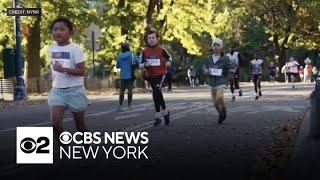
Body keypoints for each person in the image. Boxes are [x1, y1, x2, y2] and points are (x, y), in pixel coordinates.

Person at [47, 17, 89, 142]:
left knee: (80, 126)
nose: (57, 32)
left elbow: (82, 72)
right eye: (55, 30)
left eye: (62, 29)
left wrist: (64, 70)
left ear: (70, 33)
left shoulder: (75, 49)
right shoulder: (52, 48)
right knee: (55, 124)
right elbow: (55, 67)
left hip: (75, 90)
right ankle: (64, 149)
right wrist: (48, 72)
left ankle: (88, 146)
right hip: (57, 91)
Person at [140, 29, 172, 126]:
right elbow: (140, 65)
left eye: (153, 38)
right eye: (149, 38)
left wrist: (168, 62)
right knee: (157, 93)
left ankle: (158, 116)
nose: (151, 40)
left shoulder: (162, 50)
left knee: (156, 91)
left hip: (160, 74)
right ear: (147, 40)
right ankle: (166, 112)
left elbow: (169, 58)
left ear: (157, 39)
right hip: (150, 76)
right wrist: (146, 64)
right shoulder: (145, 51)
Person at [203, 38, 235, 124]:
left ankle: (224, 109)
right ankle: (221, 114)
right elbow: (204, 67)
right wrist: (205, 71)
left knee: (219, 97)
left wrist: (231, 74)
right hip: (212, 81)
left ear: (221, 47)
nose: (216, 47)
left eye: (218, 45)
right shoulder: (208, 58)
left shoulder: (225, 58)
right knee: (214, 103)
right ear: (212, 47)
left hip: (222, 80)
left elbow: (231, 67)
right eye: (214, 45)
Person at [116, 42, 140, 111]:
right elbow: (138, 62)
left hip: (122, 75)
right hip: (130, 75)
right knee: (130, 91)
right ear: (128, 47)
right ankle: (129, 106)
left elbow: (117, 66)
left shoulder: (119, 55)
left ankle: (120, 105)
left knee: (121, 91)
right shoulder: (132, 54)